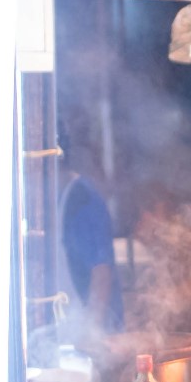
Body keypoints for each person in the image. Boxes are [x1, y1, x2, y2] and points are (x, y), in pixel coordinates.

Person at [59, 130, 123, 337]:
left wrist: (91, 333)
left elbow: (101, 274)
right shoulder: (56, 200)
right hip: (67, 330)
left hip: (94, 338)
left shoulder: (83, 201)